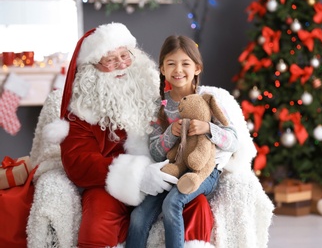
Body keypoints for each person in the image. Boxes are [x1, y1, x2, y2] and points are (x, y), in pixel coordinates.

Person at [58, 23, 214, 247]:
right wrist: (137, 175)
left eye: (125, 55)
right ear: (91, 68)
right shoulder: (82, 111)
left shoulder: (157, 87)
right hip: (111, 185)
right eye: (110, 60)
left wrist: (216, 143)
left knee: (196, 205)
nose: (121, 65)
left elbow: (200, 109)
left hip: (168, 172)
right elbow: (77, 162)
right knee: (97, 223)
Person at [126, 35, 239, 248]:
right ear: (162, 69)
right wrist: (170, 133)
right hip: (173, 168)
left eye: (185, 63)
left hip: (202, 171)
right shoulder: (157, 105)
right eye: (171, 64)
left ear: (197, 68)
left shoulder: (208, 98)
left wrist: (208, 128)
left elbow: (233, 141)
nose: (178, 70)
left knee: (172, 203)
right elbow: (156, 153)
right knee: (138, 216)